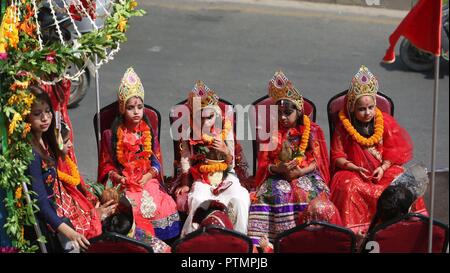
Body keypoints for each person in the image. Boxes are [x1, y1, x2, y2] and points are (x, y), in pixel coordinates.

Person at [329, 65, 427, 234]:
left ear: (375, 105)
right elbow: (337, 156)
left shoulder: (384, 121)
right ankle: (356, 235)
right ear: (352, 108)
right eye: (361, 109)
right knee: (347, 187)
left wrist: (382, 168)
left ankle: (407, 227)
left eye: (370, 108)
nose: (367, 113)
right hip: (354, 172)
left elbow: (393, 150)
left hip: (382, 170)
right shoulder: (343, 126)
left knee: (404, 180)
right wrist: (355, 168)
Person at [247, 71, 331, 247]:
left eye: (287, 113)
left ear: (299, 112)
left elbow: (318, 161)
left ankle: (309, 241)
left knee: (305, 192)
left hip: (306, 174)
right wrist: (279, 169)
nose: (283, 117)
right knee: (278, 193)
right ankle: (271, 244)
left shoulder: (313, 131)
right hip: (277, 175)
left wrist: (301, 171)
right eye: (279, 113)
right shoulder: (272, 133)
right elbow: (264, 164)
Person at [97, 67, 181, 242]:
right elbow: (107, 165)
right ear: (122, 109)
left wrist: (149, 175)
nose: (136, 112)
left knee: (163, 205)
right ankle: (137, 245)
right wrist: (118, 178)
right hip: (124, 182)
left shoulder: (148, 131)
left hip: (146, 179)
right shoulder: (110, 135)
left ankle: (161, 245)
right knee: (132, 207)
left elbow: (156, 162)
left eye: (139, 107)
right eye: (130, 107)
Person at [173, 81, 250, 237]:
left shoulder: (224, 130)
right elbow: (186, 160)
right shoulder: (189, 132)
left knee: (240, 197)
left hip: (226, 175)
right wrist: (186, 183)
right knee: (198, 199)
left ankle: (239, 240)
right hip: (201, 176)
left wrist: (224, 150)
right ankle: (195, 241)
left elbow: (231, 162)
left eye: (210, 117)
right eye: (201, 118)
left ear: (216, 115)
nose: (206, 122)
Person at [25, 86, 90, 252]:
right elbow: (40, 202)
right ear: (26, 116)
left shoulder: (44, 140)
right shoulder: (31, 152)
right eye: (37, 114)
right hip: (43, 222)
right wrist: (70, 232)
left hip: (54, 212)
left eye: (47, 111)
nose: (45, 118)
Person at [54, 121, 117, 239]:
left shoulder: (65, 162)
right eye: (66, 141)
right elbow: (73, 225)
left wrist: (98, 205)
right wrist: (96, 215)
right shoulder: (53, 179)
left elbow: (82, 193)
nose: (71, 144)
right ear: (55, 143)